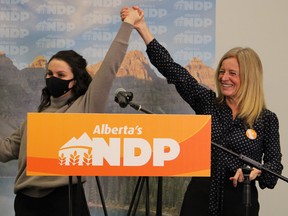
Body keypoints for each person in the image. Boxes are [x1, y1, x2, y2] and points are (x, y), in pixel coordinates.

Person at [120, 6, 283, 216]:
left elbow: (274, 167)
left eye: (232, 73)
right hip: (199, 200)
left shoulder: (266, 119)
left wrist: (256, 173)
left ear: (250, 78)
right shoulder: (207, 103)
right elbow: (173, 70)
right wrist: (142, 28)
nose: (224, 78)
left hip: (240, 205)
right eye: (222, 72)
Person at [0, 8, 142, 216]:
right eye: (49, 73)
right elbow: (5, 150)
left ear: (74, 80)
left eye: (60, 74)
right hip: (25, 204)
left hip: (64, 202)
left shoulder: (86, 107)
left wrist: (128, 23)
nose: (52, 77)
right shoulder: (34, 120)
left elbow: (110, 66)